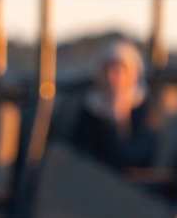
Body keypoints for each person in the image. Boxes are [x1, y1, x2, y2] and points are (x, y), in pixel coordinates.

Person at [63, 39, 160, 170]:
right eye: (109, 70)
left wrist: (119, 120)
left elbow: (142, 155)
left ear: (133, 74)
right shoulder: (89, 109)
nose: (113, 77)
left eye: (121, 71)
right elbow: (80, 152)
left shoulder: (145, 109)